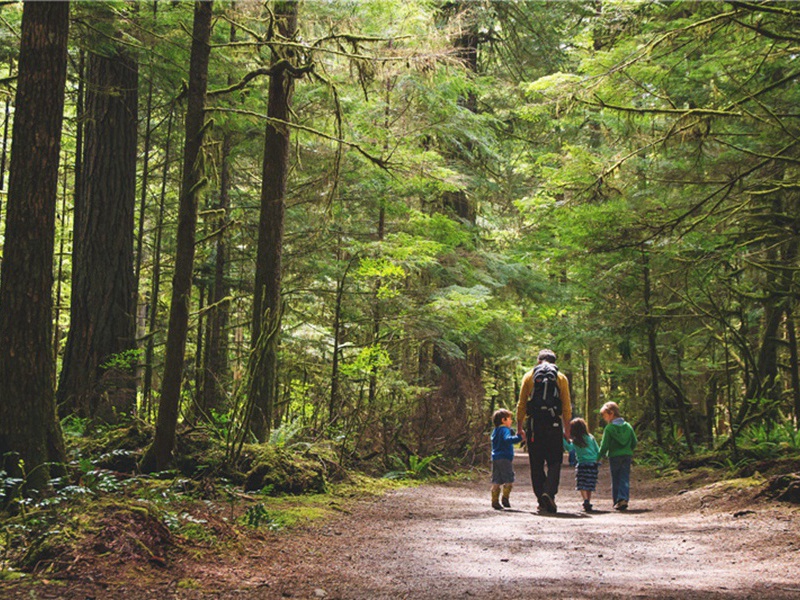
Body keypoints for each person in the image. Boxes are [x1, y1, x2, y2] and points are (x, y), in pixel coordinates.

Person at [516, 349, 572, 513]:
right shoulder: (561, 378)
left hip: (534, 425)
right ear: (554, 362)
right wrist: (567, 429)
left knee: (536, 463)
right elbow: (567, 406)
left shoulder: (529, 376)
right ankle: (549, 493)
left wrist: (520, 428)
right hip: (553, 425)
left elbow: (521, 404)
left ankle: (541, 499)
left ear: (538, 361)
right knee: (555, 462)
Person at [598, 401, 637, 510]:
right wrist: (629, 449)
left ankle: (617, 500)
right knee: (624, 477)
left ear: (611, 413)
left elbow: (604, 445)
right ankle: (623, 498)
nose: (604, 418)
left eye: (604, 415)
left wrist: (598, 457)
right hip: (626, 455)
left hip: (614, 456)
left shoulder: (609, 429)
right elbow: (634, 441)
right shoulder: (628, 427)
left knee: (616, 478)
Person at [563, 418, 600, 512]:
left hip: (582, 464)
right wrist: (598, 459)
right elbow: (597, 449)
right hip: (593, 464)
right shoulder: (591, 437)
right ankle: (588, 500)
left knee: (582, 483)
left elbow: (569, 448)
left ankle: (585, 500)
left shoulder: (576, 440)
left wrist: (563, 439)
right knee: (590, 483)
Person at [490, 408, 523, 510]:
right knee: (509, 479)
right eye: (509, 419)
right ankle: (505, 498)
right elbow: (507, 440)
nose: (511, 421)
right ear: (503, 420)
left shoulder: (495, 431)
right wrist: (519, 437)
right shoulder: (505, 430)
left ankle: (494, 500)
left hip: (495, 457)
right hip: (504, 458)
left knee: (496, 480)